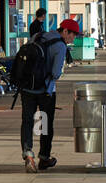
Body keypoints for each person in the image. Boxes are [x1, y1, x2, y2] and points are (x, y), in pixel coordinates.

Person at [19, 17, 76, 172]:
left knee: (28, 121)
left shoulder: (37, 36)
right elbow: (56, 73)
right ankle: (44, 157)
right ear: (65, 31)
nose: (73, 39)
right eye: (72, 35)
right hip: (46, 91)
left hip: (27, 88)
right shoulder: (60, 46)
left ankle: (28, 154)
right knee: (44, 123)